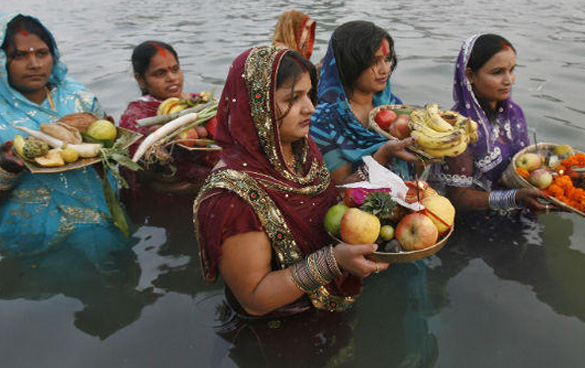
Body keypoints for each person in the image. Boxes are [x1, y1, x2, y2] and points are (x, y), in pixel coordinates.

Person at [195, 46, 389, 319]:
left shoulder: (300, 148)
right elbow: (255, 299)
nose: (310, 107)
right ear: (256, 106)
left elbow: (329, 204)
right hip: (280, 328)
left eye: (309, 94)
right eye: (292, 98)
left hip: (328, 306)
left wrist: (381, 160)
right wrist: (333, 261)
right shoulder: (230, 197)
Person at [0, 13, 129, 258]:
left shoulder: (78, 98)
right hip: (34, 245)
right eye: (19, 55)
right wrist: (6, 169)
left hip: (104, 228)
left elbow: (110, 166)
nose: (35, 64)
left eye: (41, 53)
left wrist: (111, 146)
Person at [428, 33, 549, 216]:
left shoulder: (513, 113)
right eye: (497, 72)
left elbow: (521, 167)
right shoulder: (458, 128)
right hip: (474, 226)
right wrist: (513, 198)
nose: (509, 80)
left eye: (512, 70)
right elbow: (458, 199)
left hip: (521, 211)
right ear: (470, 75)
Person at [119, 40, 219, 224]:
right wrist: (156, 147)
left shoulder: (196, 102)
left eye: (175, 69)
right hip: (165, 208)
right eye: (160, 73)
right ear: (140, 79)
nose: (172, 78)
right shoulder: (136, 117)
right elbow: (140, 174)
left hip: (203, 195)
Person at [309, 20, 417, 185]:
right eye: (374, 62)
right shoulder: (324, 121)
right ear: (349, 65)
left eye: (387, 59)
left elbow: (410, 171)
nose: (385, 69)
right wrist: (382, 155)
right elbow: (340, 189)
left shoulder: (392, 105)